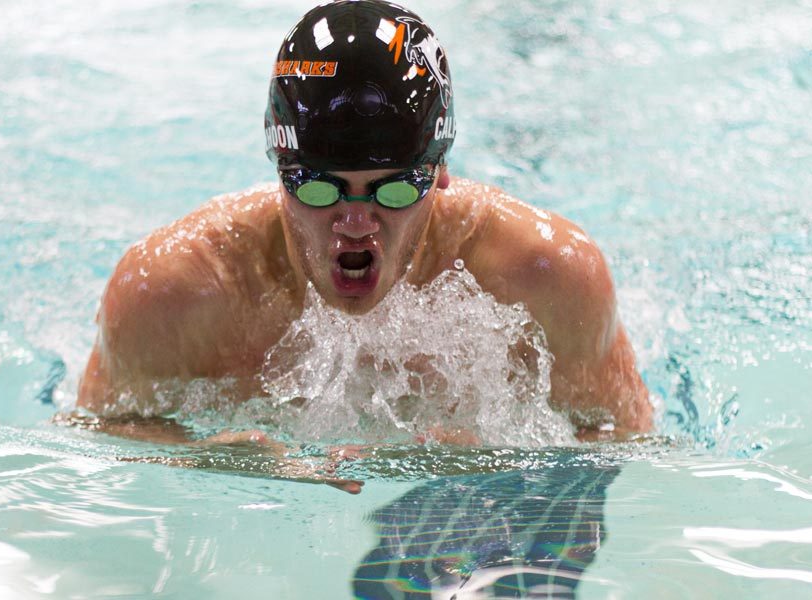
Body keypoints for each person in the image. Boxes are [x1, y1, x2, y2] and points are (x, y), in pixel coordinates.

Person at [76, 0, 653, 447]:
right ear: (281, 172)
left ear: (440, 172)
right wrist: (206, 460)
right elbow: (98, 434)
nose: (354, 226)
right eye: (320, 187)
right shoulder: (173, 292)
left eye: (394, 189)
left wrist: (500, 468)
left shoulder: (548, 276)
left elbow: (625, 443)